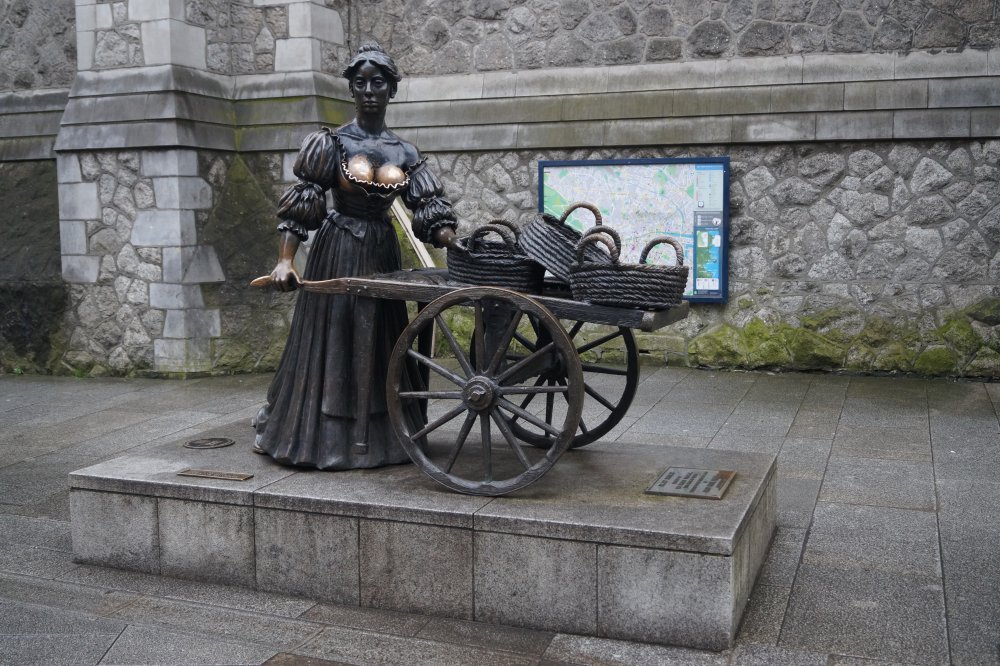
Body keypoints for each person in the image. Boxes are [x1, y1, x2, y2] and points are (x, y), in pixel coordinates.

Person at [254, 43, 458, 470]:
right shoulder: (331, 143)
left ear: (391, 90)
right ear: (351, 89)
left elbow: (428, 208)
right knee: (333, 336)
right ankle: (319, 436)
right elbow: (303, 203)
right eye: (360, 83)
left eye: (377, 83)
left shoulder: (404, 152)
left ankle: (385, 435)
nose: (368, 91)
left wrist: (451, 240)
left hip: (381, 250)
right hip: (339, 248)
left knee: (382, 337)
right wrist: (285, 260)